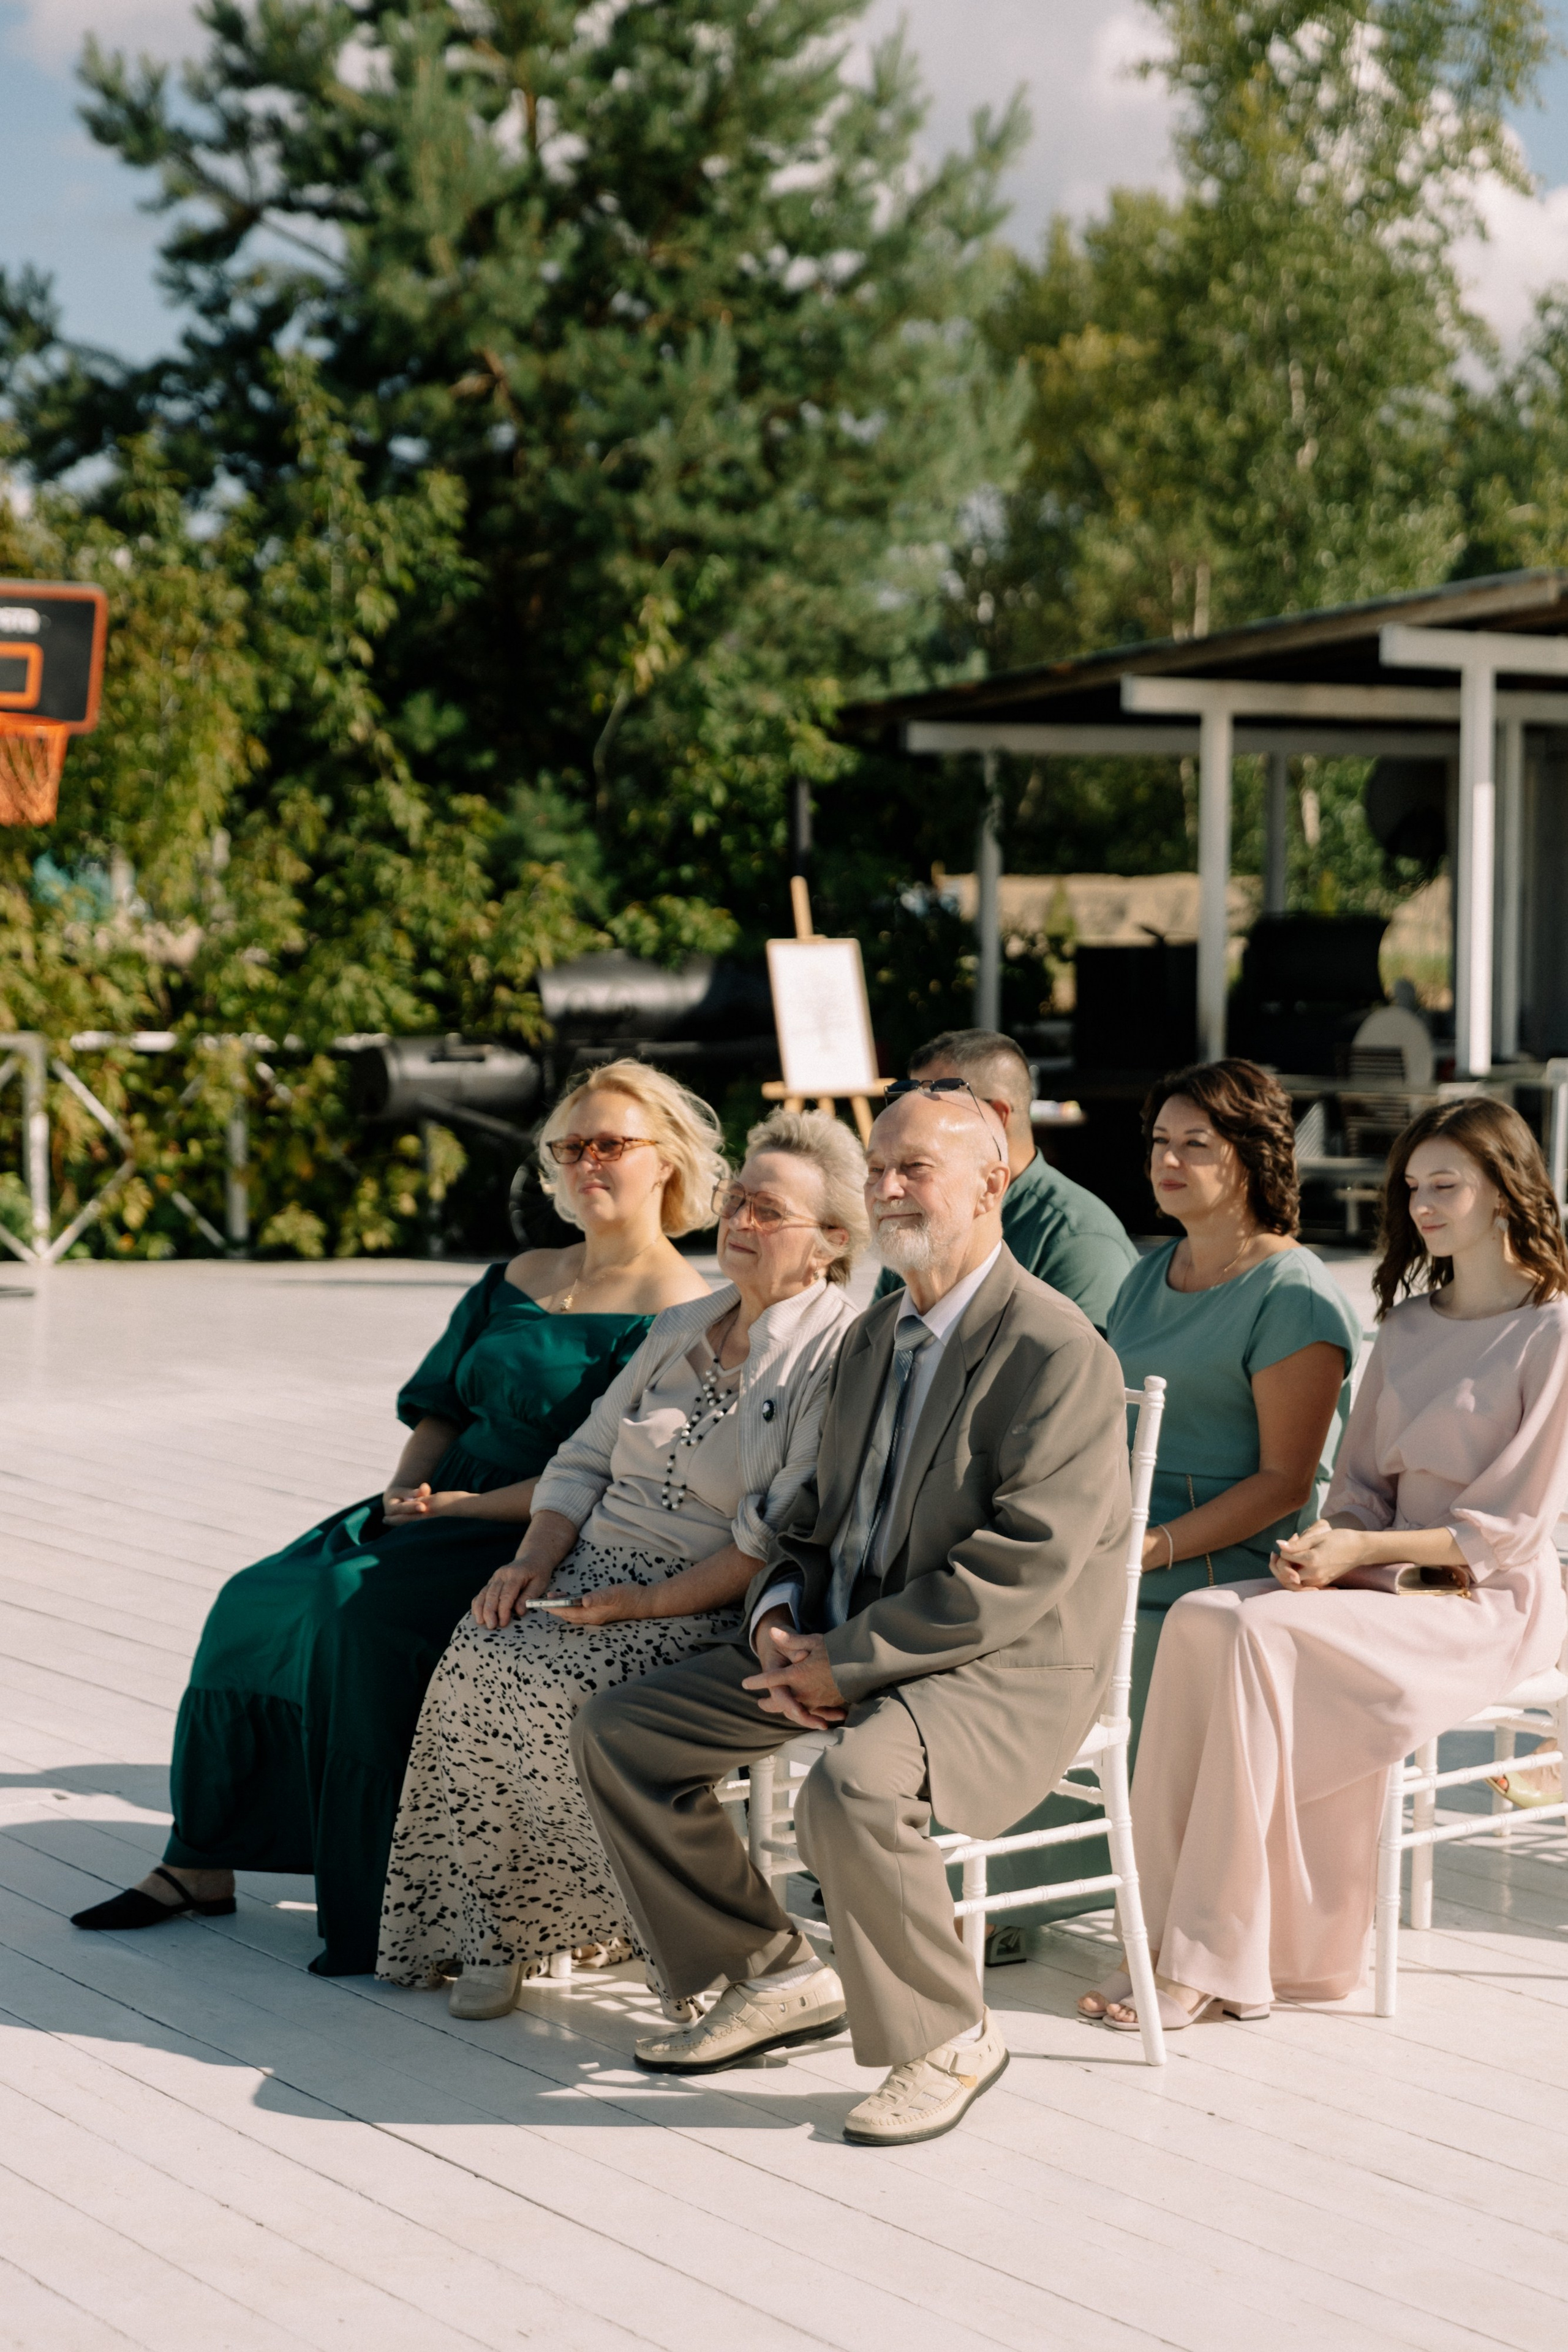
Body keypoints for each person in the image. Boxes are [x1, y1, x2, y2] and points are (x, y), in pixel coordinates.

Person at [571, 1081, 1131, 2147]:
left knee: (853, 1788)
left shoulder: (1057, 1350)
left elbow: (1021, 1570)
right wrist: (781, 1616)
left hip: (1001, 1663)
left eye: (914, 1168)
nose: (886, 1187)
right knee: (622, 1734)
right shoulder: (878, 1335)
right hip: (852, 1639)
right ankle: (769, 1971)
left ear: (992, 1181)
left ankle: (951, 2035)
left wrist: (849, 1661)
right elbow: (813, 1510)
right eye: (878, 1168)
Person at [70, 1060, 722, 1974]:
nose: (588, 1163)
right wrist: (400, 1499)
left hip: (540, 1530)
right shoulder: (522, 1273)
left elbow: (619, 1474)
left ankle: (376, 1901)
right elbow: (439, 1407)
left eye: (612, 1143)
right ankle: (198, 1860)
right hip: (439, 1504)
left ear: (667, 1162)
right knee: (252, 1598)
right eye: (571, 1146)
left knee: (354, 1615)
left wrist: (466, 1507)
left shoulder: (684, 1308)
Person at [377, 1109, 867, 2018]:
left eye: (769, 1211)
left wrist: (642, 1604)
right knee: (473, 1657)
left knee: (552, 1687)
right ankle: (498, 1928)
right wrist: (528, 1564)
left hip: (709, 1602)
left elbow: (773, 1536)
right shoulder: (684, 1322)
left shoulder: (838, 1356)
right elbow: (582, 1460)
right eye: (737, 1202)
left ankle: (646, 1934)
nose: (741, 1224)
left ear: (831, 1241)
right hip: (592, 1571)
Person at [1097, 1096, 1568, 2034]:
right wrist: (1329, 1545)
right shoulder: (1405, 1327)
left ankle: (1218, 1954)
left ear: (1506, 1191)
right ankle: (1154, 1936)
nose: (1423, 1203)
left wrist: (1362, 1547)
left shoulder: (1552, 1331)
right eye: (1413, 1185)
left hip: (1487, 1600)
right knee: (1203, 1618)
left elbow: (1508, 1531)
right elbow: (1353, 1487)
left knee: (1261, 1636)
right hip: (1377, 1581)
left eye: (1447, 1184)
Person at [1000, 1058, 1363, 1972]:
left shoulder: (1296, 1293)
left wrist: (1146, 1548)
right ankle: (973, 1861)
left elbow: (1287, 1482)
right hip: (1119, 1532)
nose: (1169, 1161)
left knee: (1098, 1637)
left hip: (1236, 1555)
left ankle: (1033, 1882)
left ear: (1250, 1157)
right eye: (1161, 1142)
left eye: (1196, 1145)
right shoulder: (1148, 1270)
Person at [872, 1028, 1136, 1331]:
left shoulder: (1078, 1238)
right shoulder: (916, 1212)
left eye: (934, 1104)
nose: (912, 1118)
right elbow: (877, 1351)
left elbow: (1074, 1368)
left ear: (995, 1115)